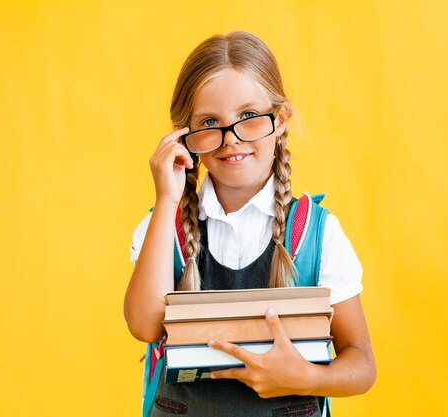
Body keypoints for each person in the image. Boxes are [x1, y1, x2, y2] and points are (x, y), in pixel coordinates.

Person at [124, 31, 376, 417]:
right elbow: (144, 326)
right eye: (210, 122)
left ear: (281, 119)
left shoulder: (317, 232)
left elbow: (361, 365)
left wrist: (305, 377)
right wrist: (166, 199)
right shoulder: (163, 226)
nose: (231, 139)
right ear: (184, 138)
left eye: (248, 117)